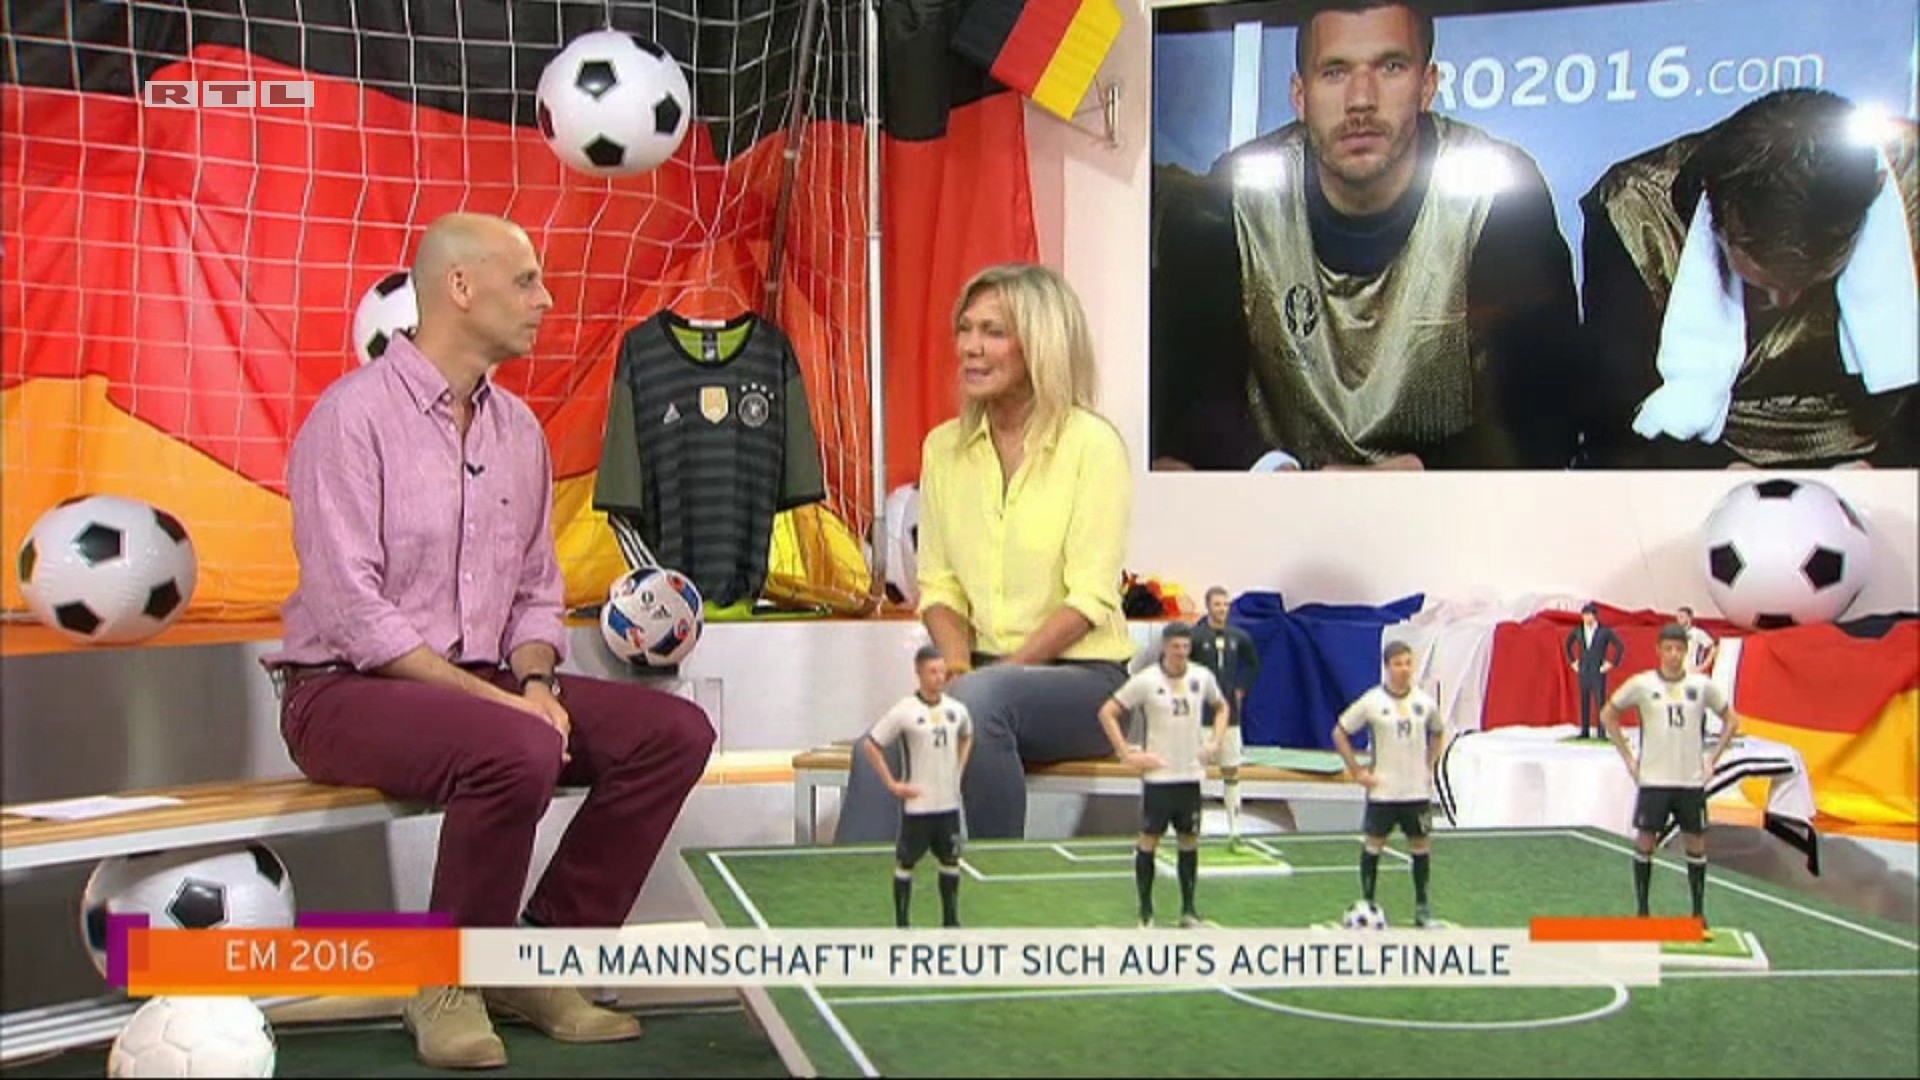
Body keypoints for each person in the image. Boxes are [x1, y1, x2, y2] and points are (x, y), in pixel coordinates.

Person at [264, 212, 716, 1070]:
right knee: (515, 744)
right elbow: (353, 611)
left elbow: (536, 593)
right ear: (460, 288)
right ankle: (446, 980)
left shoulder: (519, 432)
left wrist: (535, 682)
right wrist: (503, 706)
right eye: (527, 281)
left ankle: (538, 960)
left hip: (482, 687)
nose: (545, 301)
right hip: (341, 691)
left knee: (674, 733)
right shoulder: (351, 418)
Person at [1150, 0, 1581, 471]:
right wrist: (1276, 474)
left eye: (1390, 66)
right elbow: (1193, 398)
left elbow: (1542, 415)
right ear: (1300, 94)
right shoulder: (1231, 195)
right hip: (1273, 503)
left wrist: (1418, 475)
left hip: (1452, 503)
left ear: (1427, 85)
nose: (1360, 100)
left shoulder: (1501, 193)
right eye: (1335, 72)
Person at [835, 263, 1136, 842]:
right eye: (965, 329)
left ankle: (995, 882)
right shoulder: (944, 448)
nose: (971, 347)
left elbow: (1091, 597)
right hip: (978, 676)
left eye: (993, 332)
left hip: (1087, 685)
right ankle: (850, 898)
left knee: (978, 703)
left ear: (1041, 344)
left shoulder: (1092, 446)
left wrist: (988, 680)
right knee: (877, 749)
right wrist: (958, 669)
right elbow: (940, 585)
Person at [1579, 88, 1918, 469]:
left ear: (1874, 194)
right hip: (1694, 462)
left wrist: (1889, 471)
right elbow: (1618, 411)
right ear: (1717, 208)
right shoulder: (1634, 206)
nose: (1783, 301)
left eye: (1808, 282)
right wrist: (1712, 474)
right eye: (1763, 282)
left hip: (1886, 454)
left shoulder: (1912, 186)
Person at [1601, 624, 1744, 929]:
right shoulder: (1642, 684)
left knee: (1696, 844)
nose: (1674, 655)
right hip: (1654, 780)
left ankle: (1697, 913)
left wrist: (1712, 760)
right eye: (1668, 648)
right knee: (1645, 841)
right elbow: (1608, 714)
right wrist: (1629, 759)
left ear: (1686, 651)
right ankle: (1642, 911)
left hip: (1690, 781)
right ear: (1659, 650)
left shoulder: (1701, 685)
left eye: (1679, 649)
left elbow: (1732, 720)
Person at [1098, 623, 1229, 928]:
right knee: (1149, 840)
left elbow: (1222, 707)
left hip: (1190, 774)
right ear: (1165, 648)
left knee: (1189, 840)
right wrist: (1127, 753)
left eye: (1185, 647)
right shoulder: (1147, 680)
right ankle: (1146, 912)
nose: (1181, 653)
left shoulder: (1201, 677)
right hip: (1159, 777)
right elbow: (1108, 712)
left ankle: (1188, 910)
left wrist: (1215, 742)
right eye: (1175, 647)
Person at [1331, 641, 1446, 926]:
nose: (1404, 669)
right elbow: (1340, 732)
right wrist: (1357, 771)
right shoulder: (1372, 701)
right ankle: (1368, 901)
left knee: (1420, 845)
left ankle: (1422, 907)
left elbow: (1438, 731)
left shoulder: (1424, 702)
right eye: (1398, 664)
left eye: (1408, 663)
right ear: (1387, 667)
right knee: (1374, 844)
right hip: (1383, 791)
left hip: (1415, 791)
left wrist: (1429, 765)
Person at [862, 645, 975, 928]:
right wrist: (893, 784)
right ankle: (902, 923)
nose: (939, 677)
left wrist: (959, 770)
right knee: (906, 862)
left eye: (942, 671)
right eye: (932, 672)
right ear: (919, 673)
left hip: (948, 804)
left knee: (950, 861)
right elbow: (872, 744)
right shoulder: (905, 711)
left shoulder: (956, 710)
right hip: (918, 806)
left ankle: (951, 921)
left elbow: (967, 735)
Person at [1188, 587, 1261, 848]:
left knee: (1231, 770)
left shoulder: (1238, 637)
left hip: (1230, 717)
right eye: (1217, 604)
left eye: (1225, 604)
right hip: (1202, 717)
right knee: (1195, 771)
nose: (1222, 609)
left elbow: (1253, 664)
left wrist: (1241, 687)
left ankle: (1235, 829)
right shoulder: (1195, 636)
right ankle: (1192, 827)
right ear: (1208, 606)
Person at [1564, 603, 1624, 739]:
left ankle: (1601, 732)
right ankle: (1584, 731)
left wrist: (1611, 663)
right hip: (1584, 670)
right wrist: (1573, 662)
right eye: (1584, 615)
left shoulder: (1604, 631)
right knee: (1584, 700)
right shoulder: (1579, 630)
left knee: (1600, 701)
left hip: (1598, 670)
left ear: (1595, 616)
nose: (1586, 618)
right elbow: (1568, 644)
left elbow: (1619, 646)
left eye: (1589, 615)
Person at [1676, 607, 1718, 676]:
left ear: (1689, 618)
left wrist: (1704, 666)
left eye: (1681, 617)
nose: (1678, 619)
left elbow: (1714, 647)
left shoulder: (1696, 633)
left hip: (1692, 672)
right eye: (1677, 617)